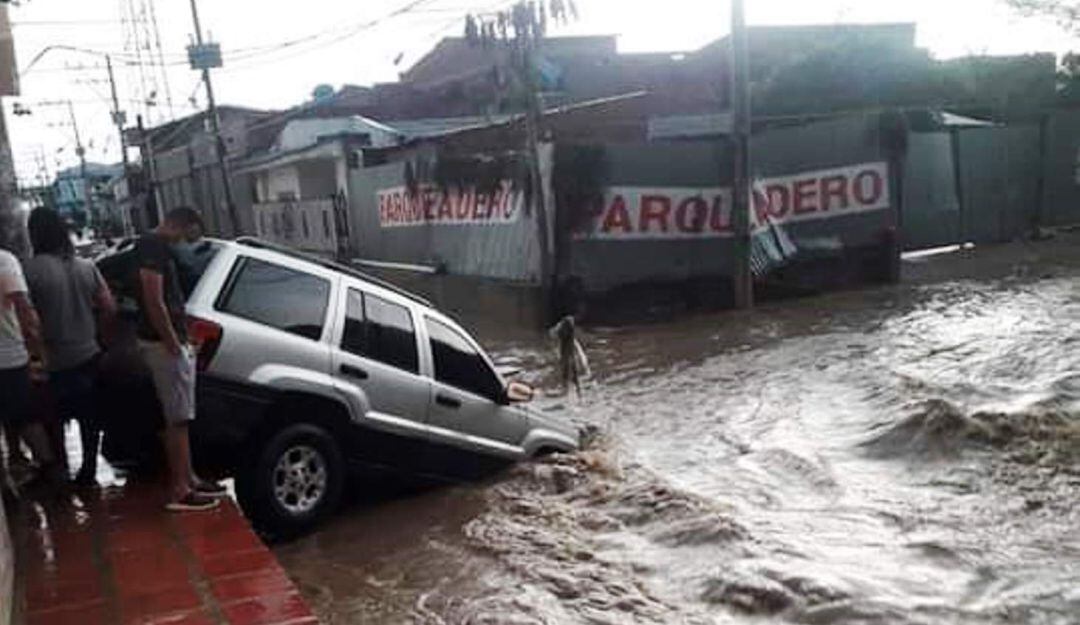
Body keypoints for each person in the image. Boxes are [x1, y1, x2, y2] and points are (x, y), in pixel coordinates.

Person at [134, 207, 225, 511]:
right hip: (163, 344)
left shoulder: (157, 247)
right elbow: (153, 298)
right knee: (177, 418)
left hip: (170, 340)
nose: (183, 242)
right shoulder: (153, 247)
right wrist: (173, 341)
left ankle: (190, 478)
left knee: (181, 416)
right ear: (178, 225)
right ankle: (181, 489)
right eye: (186, 235)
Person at [24, 208, 117, 485]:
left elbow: (27, 318)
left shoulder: (30, 270)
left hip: (51, 360)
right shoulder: (86, 267)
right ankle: (88, 469)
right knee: (90, 418)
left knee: (52, 420)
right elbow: (109, 307)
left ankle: (60, 470)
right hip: (88, 354)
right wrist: (100, 338)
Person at [0, 242, 61, 493]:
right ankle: (49, 470)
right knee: (26, 416)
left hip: (9, 356)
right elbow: (23, 306)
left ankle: (14, 470)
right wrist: (38, 354)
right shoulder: (4, 261)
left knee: (18, 416)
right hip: (9, 357)